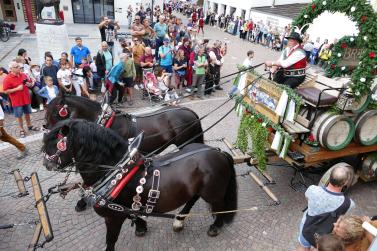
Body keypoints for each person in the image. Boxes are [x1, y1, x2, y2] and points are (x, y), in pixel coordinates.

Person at [297, 164, 355, 251]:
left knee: (303, 247)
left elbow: (308, 199)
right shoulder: (349, 203)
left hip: (307, 227)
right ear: (345, 182)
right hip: (325, 236)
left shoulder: (312, 189)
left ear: (329, 176)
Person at [3, 62, 40, 138]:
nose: (19, 68)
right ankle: (21, 129)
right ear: (11, 69)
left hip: (26, 98)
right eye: (16, 67)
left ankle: (29, 126)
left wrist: (29, 85)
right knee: (19, 116)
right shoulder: (7, 78)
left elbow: (29, 83)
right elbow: (5, 91)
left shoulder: (23, 75)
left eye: (19, 66)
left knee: (27, 113)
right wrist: (17, 89)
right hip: (17, 101)